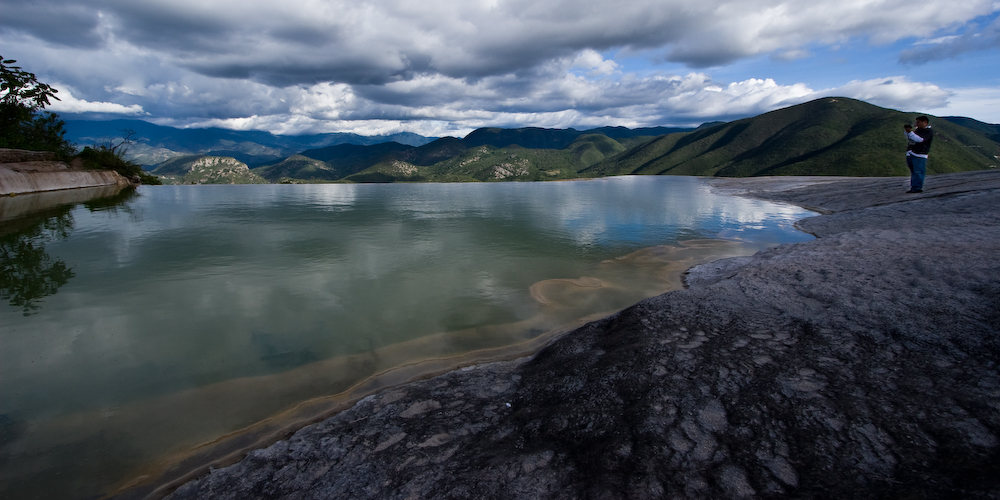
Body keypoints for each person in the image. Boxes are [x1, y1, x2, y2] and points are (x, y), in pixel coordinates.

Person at [903, 116, 933, 193]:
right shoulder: (918, 130)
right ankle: (914, 187)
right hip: (911, 153)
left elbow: (919, 139)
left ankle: (917, 187)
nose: (917, 124)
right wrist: (907, 132)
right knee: (913, 172)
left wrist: (910, 132)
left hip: (919, 155)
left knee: (918, 172)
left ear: (925, 122)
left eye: (918, 122)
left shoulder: (928, 131)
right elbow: (911, 138)